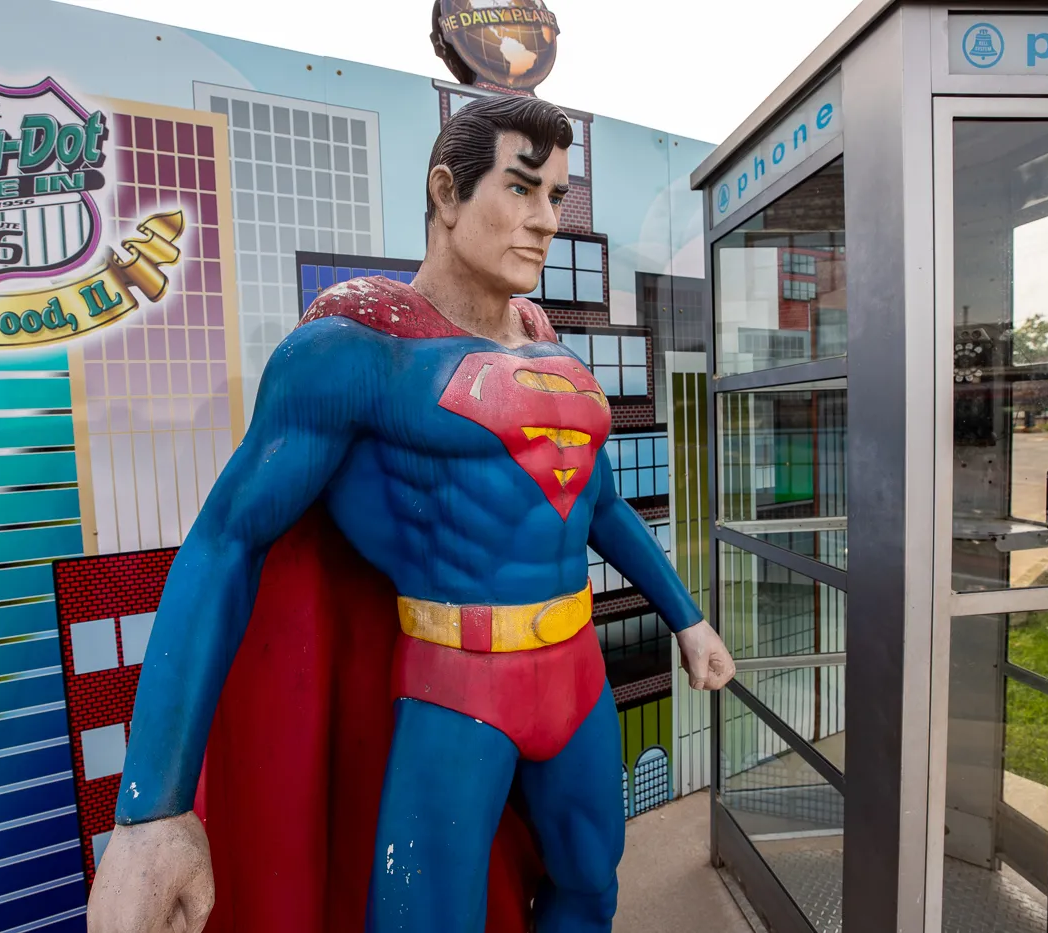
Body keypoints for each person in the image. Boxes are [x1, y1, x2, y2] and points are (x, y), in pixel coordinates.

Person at [87, 94, 735, 933]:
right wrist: (152, 810)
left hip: (575, 675)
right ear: (446, 192)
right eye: (522, 189)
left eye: (556, 198)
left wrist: (686, 618)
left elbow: (599, 502)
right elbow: (227, 540)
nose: (545, 222)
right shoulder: (357, 351)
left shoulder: (550, 352)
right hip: (456, 688)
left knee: (589, 885)